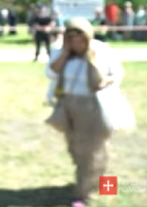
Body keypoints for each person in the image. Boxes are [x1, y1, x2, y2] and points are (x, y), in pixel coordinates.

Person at [45, 18, 128, 207]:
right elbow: (51, 73)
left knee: (94, 151)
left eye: (80, 39)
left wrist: (104, 82)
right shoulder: (61, 51)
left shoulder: (101, 50)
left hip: (95, 106)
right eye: (72, 39)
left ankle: (83, 195)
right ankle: (96, 182)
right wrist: (65, 53)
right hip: (69, 105)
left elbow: (117, 73)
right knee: (75, 149)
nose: (76, 44)